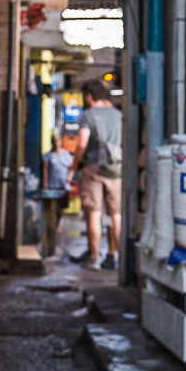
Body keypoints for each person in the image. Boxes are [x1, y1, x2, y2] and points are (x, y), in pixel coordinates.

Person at [72, 79, 123, 271]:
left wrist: (75, 164)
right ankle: (114, 256)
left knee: (94, 213)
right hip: (116, 169)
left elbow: (82, 143)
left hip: (94, 168)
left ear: (88, 96)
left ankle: (94, 257)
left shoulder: (88, 115)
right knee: (115, 215)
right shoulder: (119, 115)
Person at [40, 132, 74, 259]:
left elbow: (72, 167)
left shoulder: (66, 155)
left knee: (61, 208)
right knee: (52, 208)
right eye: (54, 140)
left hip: (63, 186)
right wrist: (45, 183)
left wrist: (69, 178)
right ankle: (53, 229)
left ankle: (58, 222)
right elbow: (45, 169)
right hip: (53, 186)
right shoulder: (48, 156)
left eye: (58, 140)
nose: (56, 142)